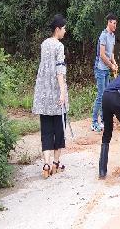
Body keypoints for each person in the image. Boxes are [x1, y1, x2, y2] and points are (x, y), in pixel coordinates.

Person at [32, 14, 69, 179]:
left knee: (46, 130)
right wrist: (62, 92)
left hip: (43, 95)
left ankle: (46, 164)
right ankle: (55, 163)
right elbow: (59, 71)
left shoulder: (44, 44)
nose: (65, 31)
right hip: (55, 95)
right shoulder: (59, 46)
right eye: (64, 28)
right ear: (57, 29)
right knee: (59, 129)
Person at [91, 13, 118, 132]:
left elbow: (111, 53)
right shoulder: (103, 35)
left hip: (107, 69)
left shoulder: (112, 36)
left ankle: (103, 120)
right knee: (101, 95)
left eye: (116, 24)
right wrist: (111, 65)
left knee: (107, 95)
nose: (115, 26)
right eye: (114, 23)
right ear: (109, 22)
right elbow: (102, 55)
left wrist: (114, 63)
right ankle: (94, 122)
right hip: (100, 69)